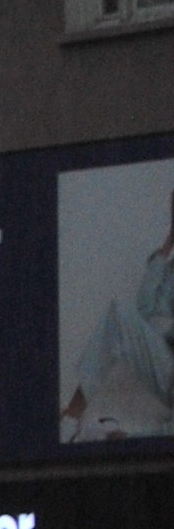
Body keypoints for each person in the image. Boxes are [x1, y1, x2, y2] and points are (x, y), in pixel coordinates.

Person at [64, 188, 174, 439]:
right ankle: (71, 416)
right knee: (120, 313)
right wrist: (167, 245)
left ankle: (138, 440)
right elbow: (145, 310)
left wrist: (167, 327)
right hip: (167, 365)